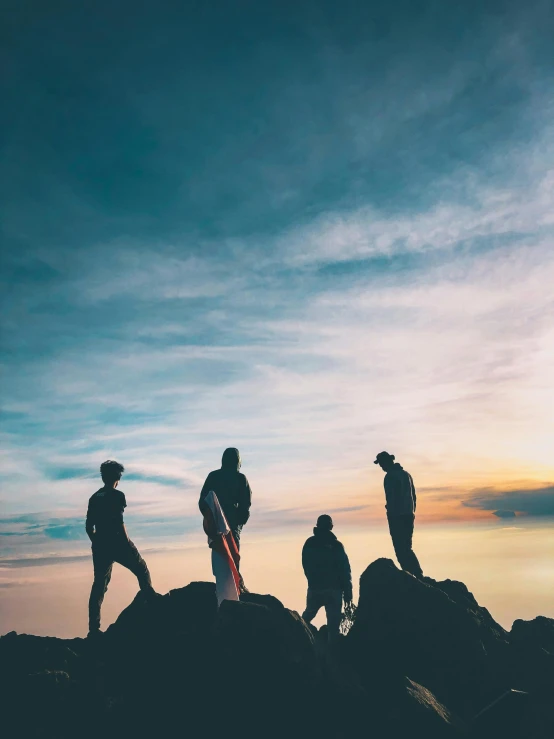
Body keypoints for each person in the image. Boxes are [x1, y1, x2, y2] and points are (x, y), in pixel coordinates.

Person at [86, 460, 156, 638]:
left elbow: (88, 527)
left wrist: (97, 542)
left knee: (99, 585)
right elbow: (119, 522)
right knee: (142, 569)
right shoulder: (117, 496)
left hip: (100, 545)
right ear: (118, 477)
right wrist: (126, 543)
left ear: (103, 476)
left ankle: (93, 628)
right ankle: (153, 605)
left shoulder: (94, 498)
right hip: (118, 543)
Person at [301, 514, 352, 642]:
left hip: (315, 589)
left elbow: (306, 565)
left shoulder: (310, 543)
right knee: (333, 628)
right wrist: (348, 593)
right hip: (334, 590)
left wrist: (312, 581)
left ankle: (300, 638)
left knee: (306, 617)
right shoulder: (337, 546)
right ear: (331, 527)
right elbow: (345, 570)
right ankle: (332, 654)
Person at [374, 451, 423, 578]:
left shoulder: (390, 477)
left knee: (401, 549)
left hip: (397, 516)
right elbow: (414, 496)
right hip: (408, 514)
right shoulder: (406, 474)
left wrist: (390, 511)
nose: (381, 467)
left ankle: (413, 576)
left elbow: (392, 498)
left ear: (387, 462)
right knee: (407, 547)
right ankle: (416, 574)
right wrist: (411, 511)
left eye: (381, 464)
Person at [198, 448, 252, 552]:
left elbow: (245, 505)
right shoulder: (238, 478)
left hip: (224, 525)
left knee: (230, 556)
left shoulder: (215, 476)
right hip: (219, 525)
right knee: (229, 557)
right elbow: (246, 504)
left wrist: (238, 521)